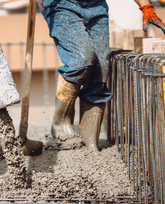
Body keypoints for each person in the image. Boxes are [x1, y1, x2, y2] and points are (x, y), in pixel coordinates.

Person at [37, 0, 165, 151]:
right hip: (62, 5)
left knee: (100, 71)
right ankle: (60, 128)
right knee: (80, 61)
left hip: (96, 5)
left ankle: (90, 141)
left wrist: (146, 7)